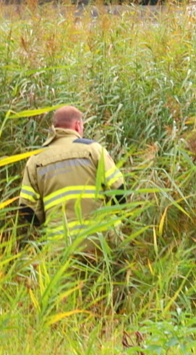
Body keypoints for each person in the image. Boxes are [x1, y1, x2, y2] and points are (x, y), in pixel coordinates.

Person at [18, 105, 126, 248]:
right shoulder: (92, 149)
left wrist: (46, 224)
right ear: (77, 125)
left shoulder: (35, 160)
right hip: (100, 242)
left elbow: (27, 208)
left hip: (59, 248)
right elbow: (119, 190)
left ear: (54, 126)